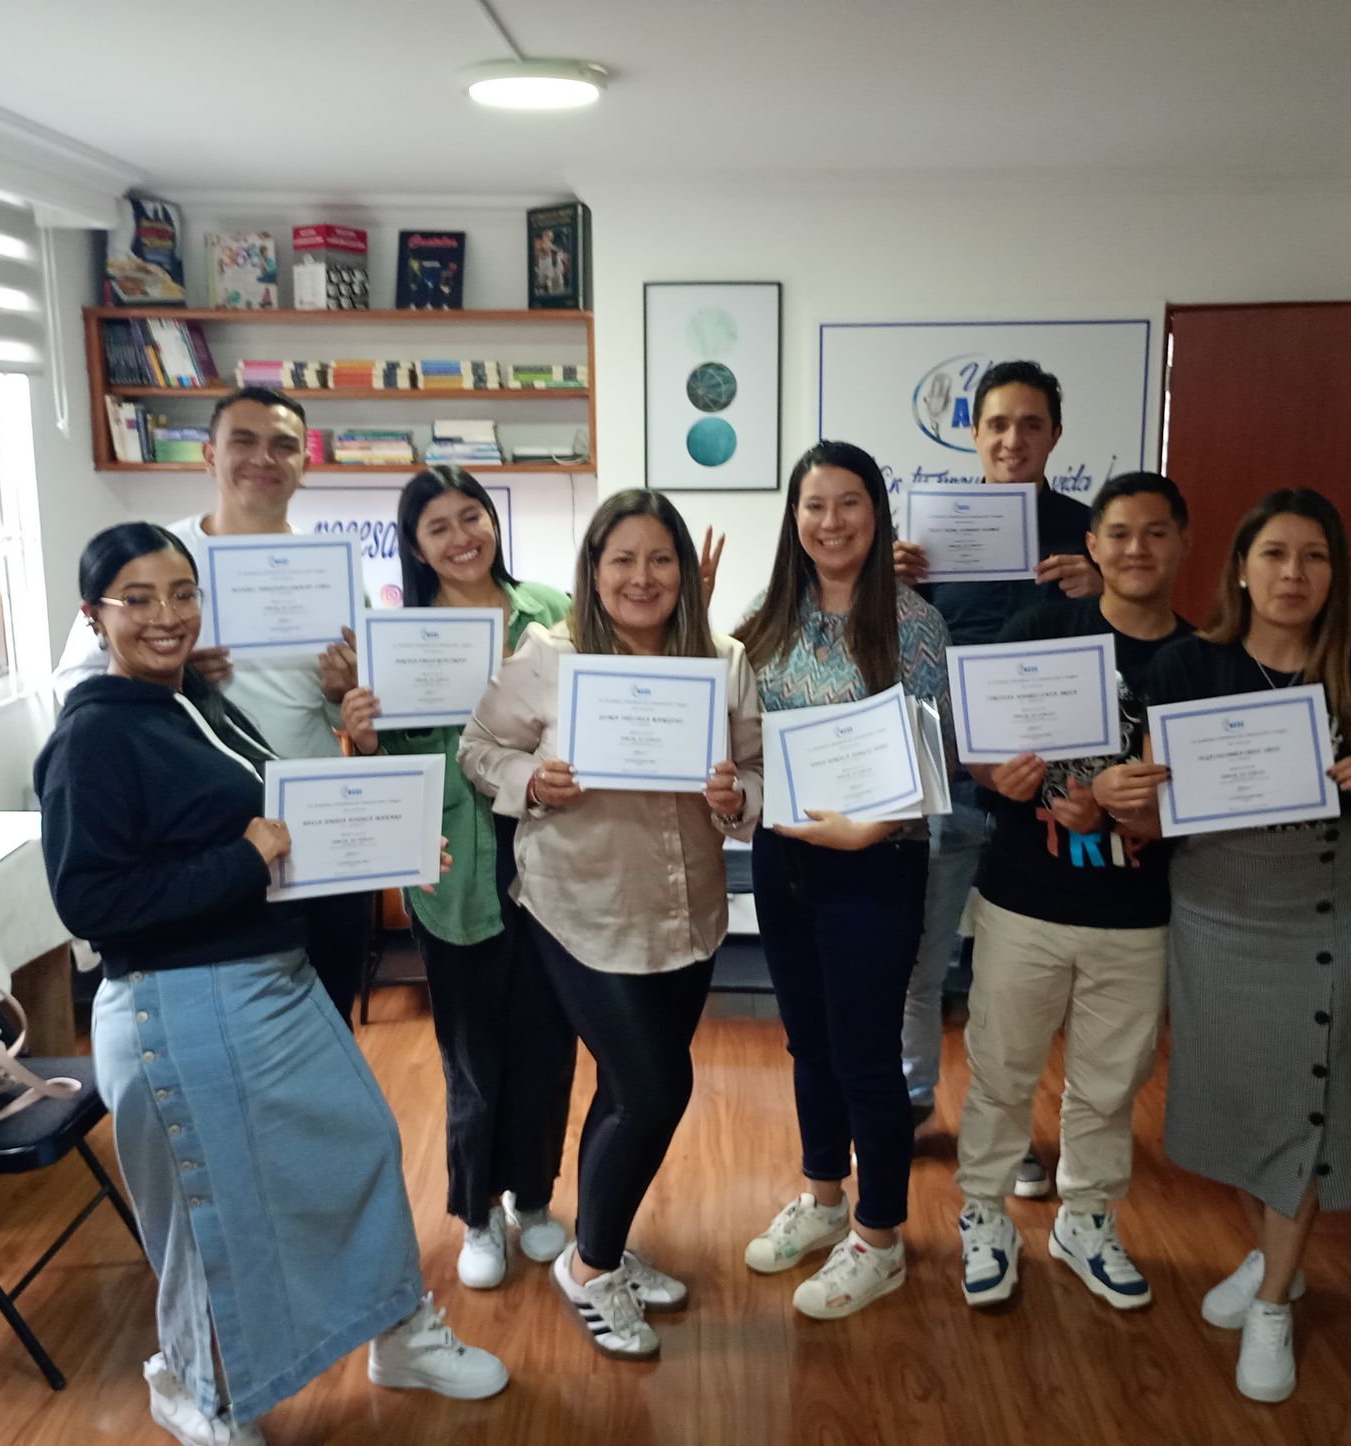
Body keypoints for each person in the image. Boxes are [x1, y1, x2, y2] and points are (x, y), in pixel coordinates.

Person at [35, 523, 505, 1446]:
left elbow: (280, 813)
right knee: (218, 1210)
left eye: (182, 594)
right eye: (139, 599)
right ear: (93, 616)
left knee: (365, 1142)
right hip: (180, 1001)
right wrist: (240, 864)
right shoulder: (93, 737)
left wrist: (394, 842)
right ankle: (195, 1387)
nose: (166, 616)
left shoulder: (195, 701)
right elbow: (91, 902)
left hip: (268, 980)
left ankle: (396, 1332)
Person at [1118, 488, 1351, 1404]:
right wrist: (1121, 798)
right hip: (1217, 912)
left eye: (1314, 557)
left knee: (1309, 1101)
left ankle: (1273, 1306)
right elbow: (1155, 815)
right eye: (1276, 555)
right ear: (1243, 570)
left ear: (1335, 574)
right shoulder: (1186, 666)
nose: (1294, 573)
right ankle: (1270, 1258)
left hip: (1324, 909)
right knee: (1244, 1099)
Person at [458, 489, 762, 1361]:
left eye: (660, 559)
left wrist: (735, 796)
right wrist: (531, 782)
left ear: (685, 572)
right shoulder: (552, 656)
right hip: (580, 910)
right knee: (656, 1090)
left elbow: (757, 769)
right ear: (592, 570)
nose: (642, 577)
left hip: (686, 913)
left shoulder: (723, 660)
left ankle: (603, 1239)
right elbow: (481, 748)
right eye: (622, 559)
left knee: (626, 1092)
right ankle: (590, 1269)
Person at [51, 387, 373, 1023]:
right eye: (243, 441)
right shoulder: (155, 559)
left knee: (326, 1020)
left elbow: (353, 714)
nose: (264, 458)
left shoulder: (333, 566)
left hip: (311, 821)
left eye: (283, 445)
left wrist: (343, 695)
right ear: (209, 455)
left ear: (305, 463)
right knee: (237, 1020)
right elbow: (77, 690)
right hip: (201, 840)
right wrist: (171, 677)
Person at [952, 471, 1192, 1313]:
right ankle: (984, 1212)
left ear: (1182, 544)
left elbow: (1213, 795)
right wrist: (1009, 780)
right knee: (1001, 1069)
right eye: (1118, 533)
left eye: (1155, 532)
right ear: (1092, 545)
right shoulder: (1041, 630)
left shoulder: (1203, 660)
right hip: (1025, 899)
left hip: (1137, 912)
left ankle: (1086, 1218)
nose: (1136, 549)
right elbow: (978, 748)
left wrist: (1143, 816)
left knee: (1110, 1082)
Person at [338, 466, 577, 1292]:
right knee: (473, 1053)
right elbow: (397, 765)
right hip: (455, 859)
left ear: (493, 522)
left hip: (554, 847)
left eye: (470, 516)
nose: (461, 537)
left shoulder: (552, 610)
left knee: (547, 1043)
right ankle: (476, 1212)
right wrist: (367, 737)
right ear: (415, 547)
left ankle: (533, 1198)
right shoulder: (399, 635)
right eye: (437, 526)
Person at [734, 441, 952, 1319]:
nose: (832, 522)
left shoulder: (914, 625)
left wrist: (873, 829)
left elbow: (934, 759)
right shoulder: (763, 622)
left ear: (877, 512)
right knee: (808, 1043)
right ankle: (824, 1198)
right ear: (794, 517)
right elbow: (743, 741)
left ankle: (880, 1236)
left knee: (865, 1055)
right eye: (815, 505)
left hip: (877, 862)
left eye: (850, 502)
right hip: (783, 858)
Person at [892, 360, 1100, 1196]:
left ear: (1055, 434)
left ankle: (1005, 1131)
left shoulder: (1092, 533)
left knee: (1020, 979)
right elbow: (895, 646)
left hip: (1048, 791)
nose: (1014, 440)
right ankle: (910, 1105)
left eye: (1032, 424)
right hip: (946, 780)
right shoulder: (929, 533)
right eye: (998, 424)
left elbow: (1132, 645)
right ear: (973, 434)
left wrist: (1102, 591)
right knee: (920, 960)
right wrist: (889, 585)